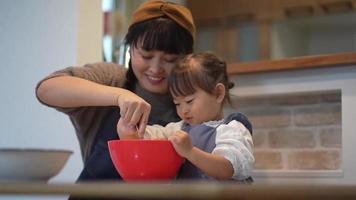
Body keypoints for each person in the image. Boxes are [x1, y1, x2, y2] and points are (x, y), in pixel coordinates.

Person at [36, 0, 195, 182]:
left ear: (187, 57)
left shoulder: (195, 97)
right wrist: (119, 95)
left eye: (170, 59)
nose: (156, 68)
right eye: (146, 56)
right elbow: (46, 90)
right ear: (130, 47)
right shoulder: (112, 78)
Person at [118, 52, 254, 181]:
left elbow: (229, 168)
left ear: (218, 93)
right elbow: (148, 139)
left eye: (189, 101)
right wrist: (130, 130)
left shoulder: (232, 129)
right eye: (177, 103)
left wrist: (190, 152)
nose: (183, 110)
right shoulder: (180, 128)